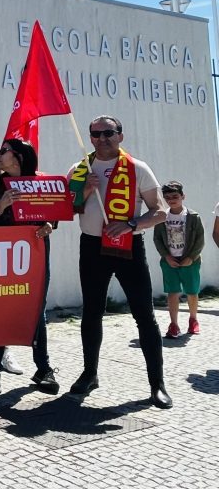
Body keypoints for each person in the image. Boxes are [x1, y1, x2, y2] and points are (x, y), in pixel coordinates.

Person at [67, 115, 170, 408]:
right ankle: (90, 373)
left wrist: (131, 223)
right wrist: (85, 191)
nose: (102, 138)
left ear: (120, 136)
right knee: (92, 312)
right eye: (96, 134)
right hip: (92, 247)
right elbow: (67, 209)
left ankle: (157, 383)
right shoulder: (79, 169)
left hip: (128, 246)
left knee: (144, 315)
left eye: (108, 132)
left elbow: (159, 212)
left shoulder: (138, 168)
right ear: (90, 138)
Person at [0, 139, 56, 395]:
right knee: (1, 310)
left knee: (37, 309)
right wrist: (1, 205)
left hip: (36, 255)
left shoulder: (42, 181)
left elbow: (54, 213)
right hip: (4, 258)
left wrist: (50, 225)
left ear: (19, 157)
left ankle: (43, 368)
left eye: (4, 152)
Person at [152, 181, 204, 339]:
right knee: (172, 292)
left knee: (192, 292)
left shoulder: (193, 217)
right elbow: (157, 239)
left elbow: (200, 240)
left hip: (190, 261)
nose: (171, 200)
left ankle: (193, 319)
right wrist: (167, 257)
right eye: (167, 197)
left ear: (183, 196)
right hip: (169, 261)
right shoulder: (162, 217)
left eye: (175, 196)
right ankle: (173, 324)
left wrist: (191, 257)